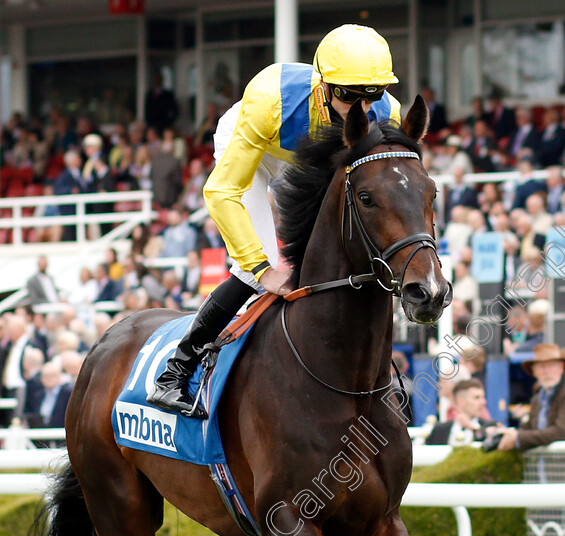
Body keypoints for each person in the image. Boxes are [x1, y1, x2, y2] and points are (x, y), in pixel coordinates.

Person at [148, 24, 402, 417]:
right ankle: (175, 372)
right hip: (253, 143)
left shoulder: (389, 113)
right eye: (352, 96)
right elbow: (221, 192)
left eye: (374, 95)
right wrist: (261, 267)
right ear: (323, 85)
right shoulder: (271, 97)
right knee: (258, 267)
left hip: (306, 159)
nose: (365, 109)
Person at [496, 344, 565, 451]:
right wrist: (506, 433)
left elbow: (561, 431)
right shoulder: (537, 399)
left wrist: (518, 437)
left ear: (561, 368)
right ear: (534, 371)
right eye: (542, 367)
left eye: (551, 365)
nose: (547, 371)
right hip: (543, 464)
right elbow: (530, 427)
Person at [426, 379, 497, 446]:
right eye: (477, 397)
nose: (483, 402)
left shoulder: (490, 426)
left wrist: (473, 428)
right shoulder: (440, 430)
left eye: (483, 397)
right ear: (461, 401)